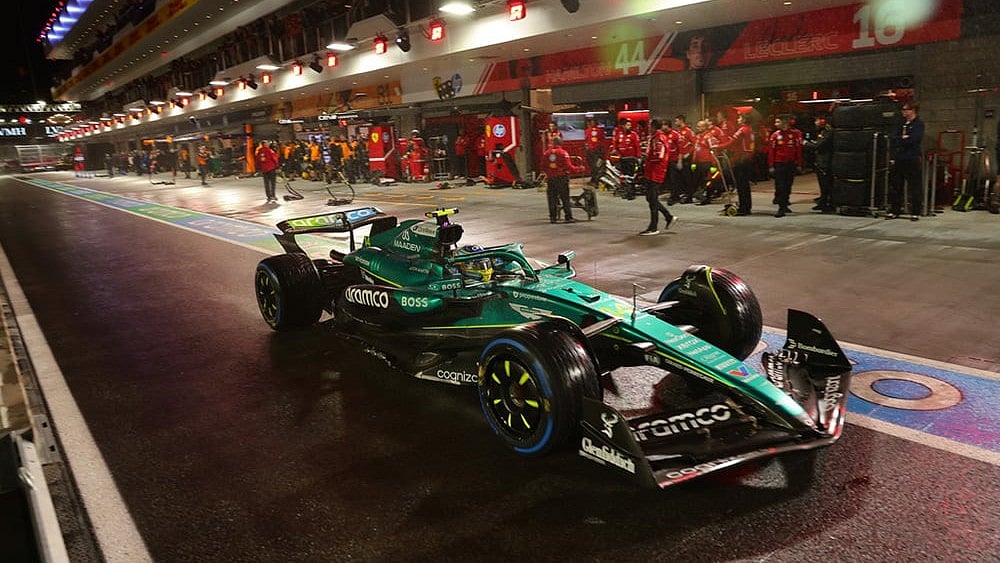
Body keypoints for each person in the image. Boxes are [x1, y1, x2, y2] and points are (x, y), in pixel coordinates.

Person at [887, 102, 925, 220]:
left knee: (914, 186)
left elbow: (914, 139)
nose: (903, 112)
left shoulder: (918, 124)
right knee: (896, 186)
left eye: (905, 109)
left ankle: (915, 212)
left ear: (913, 110)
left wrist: (904, 139)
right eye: (902, 110)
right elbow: (893, 137)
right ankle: (895, 210)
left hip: (911, 158)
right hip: (899, 158)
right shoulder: (901, 124)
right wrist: (902, 138)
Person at [639, 118, 676, 235]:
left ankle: (653, 227)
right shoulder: (656, 137)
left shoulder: (658, 138)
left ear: (654, 126)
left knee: (653, 199)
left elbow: (658, 156)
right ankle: (668, 216)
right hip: (652, 172)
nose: (648, 127)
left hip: (655, 172)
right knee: (650, 198)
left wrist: (646, 158)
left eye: (650, 125)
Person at [716, 112, 756, 216]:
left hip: (741, 160)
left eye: (740, 118)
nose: (738, 119)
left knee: (741, 185)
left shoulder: (742, 130)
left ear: (744, 120)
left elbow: (732, 142)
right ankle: (746, 206)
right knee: (744, 185)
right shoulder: (750, 130)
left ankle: (744, 208)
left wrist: (718, 147)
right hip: (746, 159)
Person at [767, 114, 803, 217]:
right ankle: (781, 208)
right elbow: (771, 151)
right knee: (780, 185)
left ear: (785, 122)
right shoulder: (775, 135)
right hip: (779, 164)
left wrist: (799, 164)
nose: (776, 124)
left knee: (788, 185)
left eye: (778, 122)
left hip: (791, 164)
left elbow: (798, 150)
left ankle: (785, 204)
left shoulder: (796, 134)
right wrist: (771, 165)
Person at [543, 137, 583, 223]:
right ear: (561, 143)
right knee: (564, 198)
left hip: (551, 179)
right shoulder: (563, 153)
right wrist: (579, 169)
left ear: (552, 143)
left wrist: (549, 173)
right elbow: (569, 166)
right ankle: (568, 217)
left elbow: (543, 166)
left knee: (552, 198)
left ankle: (553, 218)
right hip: (561, 178)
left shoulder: (546, 153)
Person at [807, 115, 835, 212]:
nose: (816, 122)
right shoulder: (823, 131)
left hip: (825, 162)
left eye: (817, 120)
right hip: (820, 161)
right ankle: (822, 202)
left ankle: (828, 204)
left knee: (826, 184)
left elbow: (820, 145)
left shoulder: (829, 132)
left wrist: (806, 144)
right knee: (822, 185)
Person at [583, 117, 604, 186]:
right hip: (592, 151)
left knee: (596, 166)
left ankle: (596, 181)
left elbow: (601, 141)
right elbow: (586, 141)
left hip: (596, 151)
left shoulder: (598, 130)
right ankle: (594, 179)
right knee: (593, 166)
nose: (590, 123)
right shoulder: (588, 130)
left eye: (591, 121)